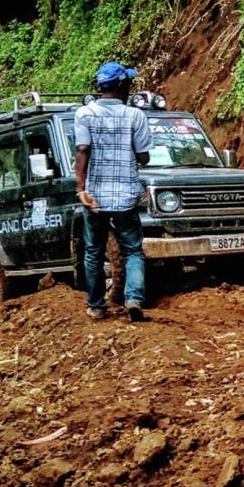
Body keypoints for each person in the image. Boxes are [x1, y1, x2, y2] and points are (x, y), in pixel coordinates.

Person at [74, 62, 153, 322]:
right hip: (126, 196)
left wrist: (81, 188)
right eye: (128, 83)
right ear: (121, 86)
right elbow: (143, 158)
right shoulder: (136, 116)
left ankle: (96, 306)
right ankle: (133, 299)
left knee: (93, 251)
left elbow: (82, 150)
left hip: (94, 195)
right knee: (132, 251)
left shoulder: (84, 114)